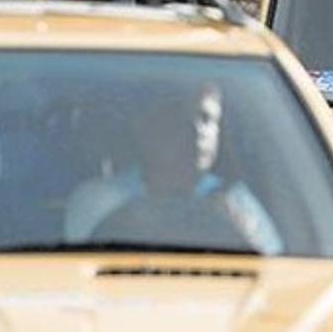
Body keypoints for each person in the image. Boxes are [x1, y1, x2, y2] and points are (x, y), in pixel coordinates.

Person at [64, 84, 282, 255]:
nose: (196, 130)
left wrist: (238, 234)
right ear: (145, 127)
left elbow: (272, 275)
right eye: (180, 117)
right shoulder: (100, 199)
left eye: (206, 119)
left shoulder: (238, 202)